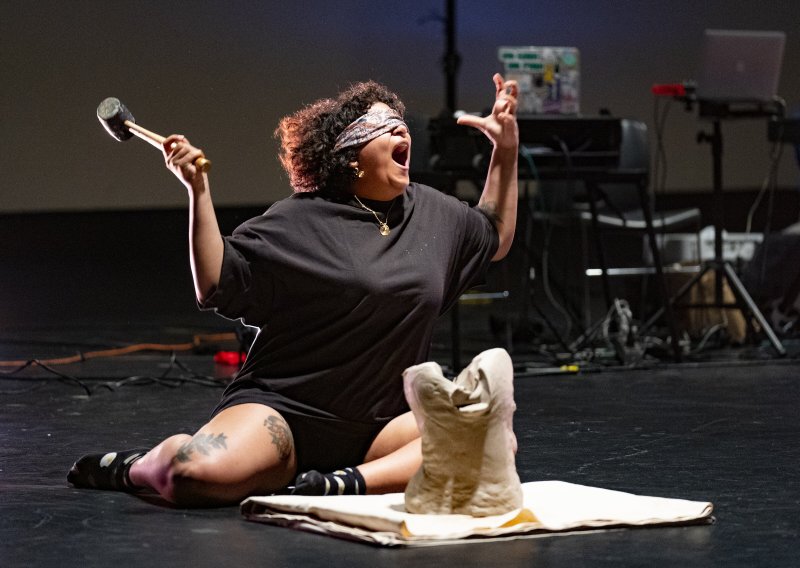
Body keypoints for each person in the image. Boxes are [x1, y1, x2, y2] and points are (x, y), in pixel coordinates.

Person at [68, 73, 519, 507]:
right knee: (190, 473)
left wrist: (506, 148)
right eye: (383, 124)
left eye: (402, 123)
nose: (401, 129)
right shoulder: (300, 220)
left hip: (382, 427)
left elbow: (495, 233)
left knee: (491, 439)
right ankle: (132, 467)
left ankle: (344, 485)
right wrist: (197, 189)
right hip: (285, 413)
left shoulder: (434, 215)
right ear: (349, 154)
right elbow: (216, 282)